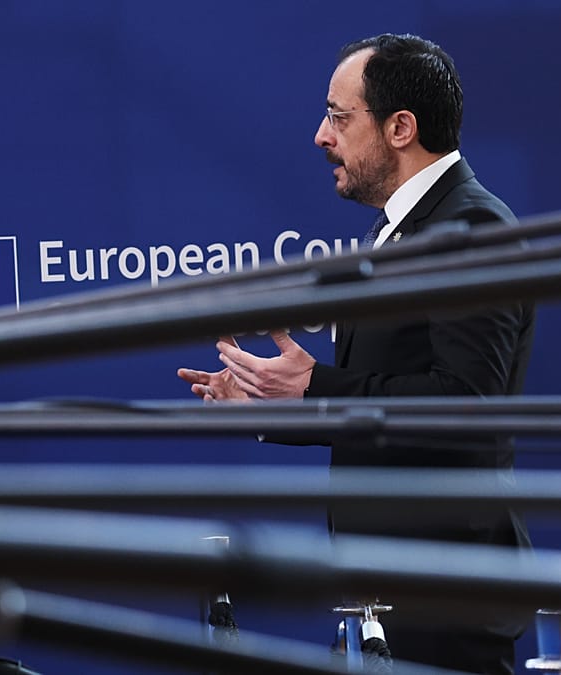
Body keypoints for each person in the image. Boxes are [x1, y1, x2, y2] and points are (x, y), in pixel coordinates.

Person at [177, 34, 534, 674]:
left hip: (444, 590)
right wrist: (272, 401)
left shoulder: (471, 229)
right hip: (388, 590)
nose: (321, 135)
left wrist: (314, 386)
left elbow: (466, 405)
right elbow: (383, 397)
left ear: (400, 128)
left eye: (339, 118)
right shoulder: (398, 229)